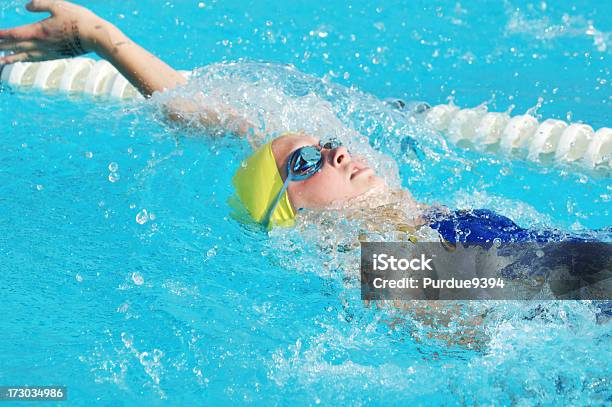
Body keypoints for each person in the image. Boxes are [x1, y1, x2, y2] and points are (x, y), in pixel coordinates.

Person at [2, 1, 608, 305]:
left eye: (329, 146)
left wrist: (104, 39)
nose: (336, 154)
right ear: (289, 217)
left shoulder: (419, 224)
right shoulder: (375, 265)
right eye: (306, 164)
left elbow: (223, 119)